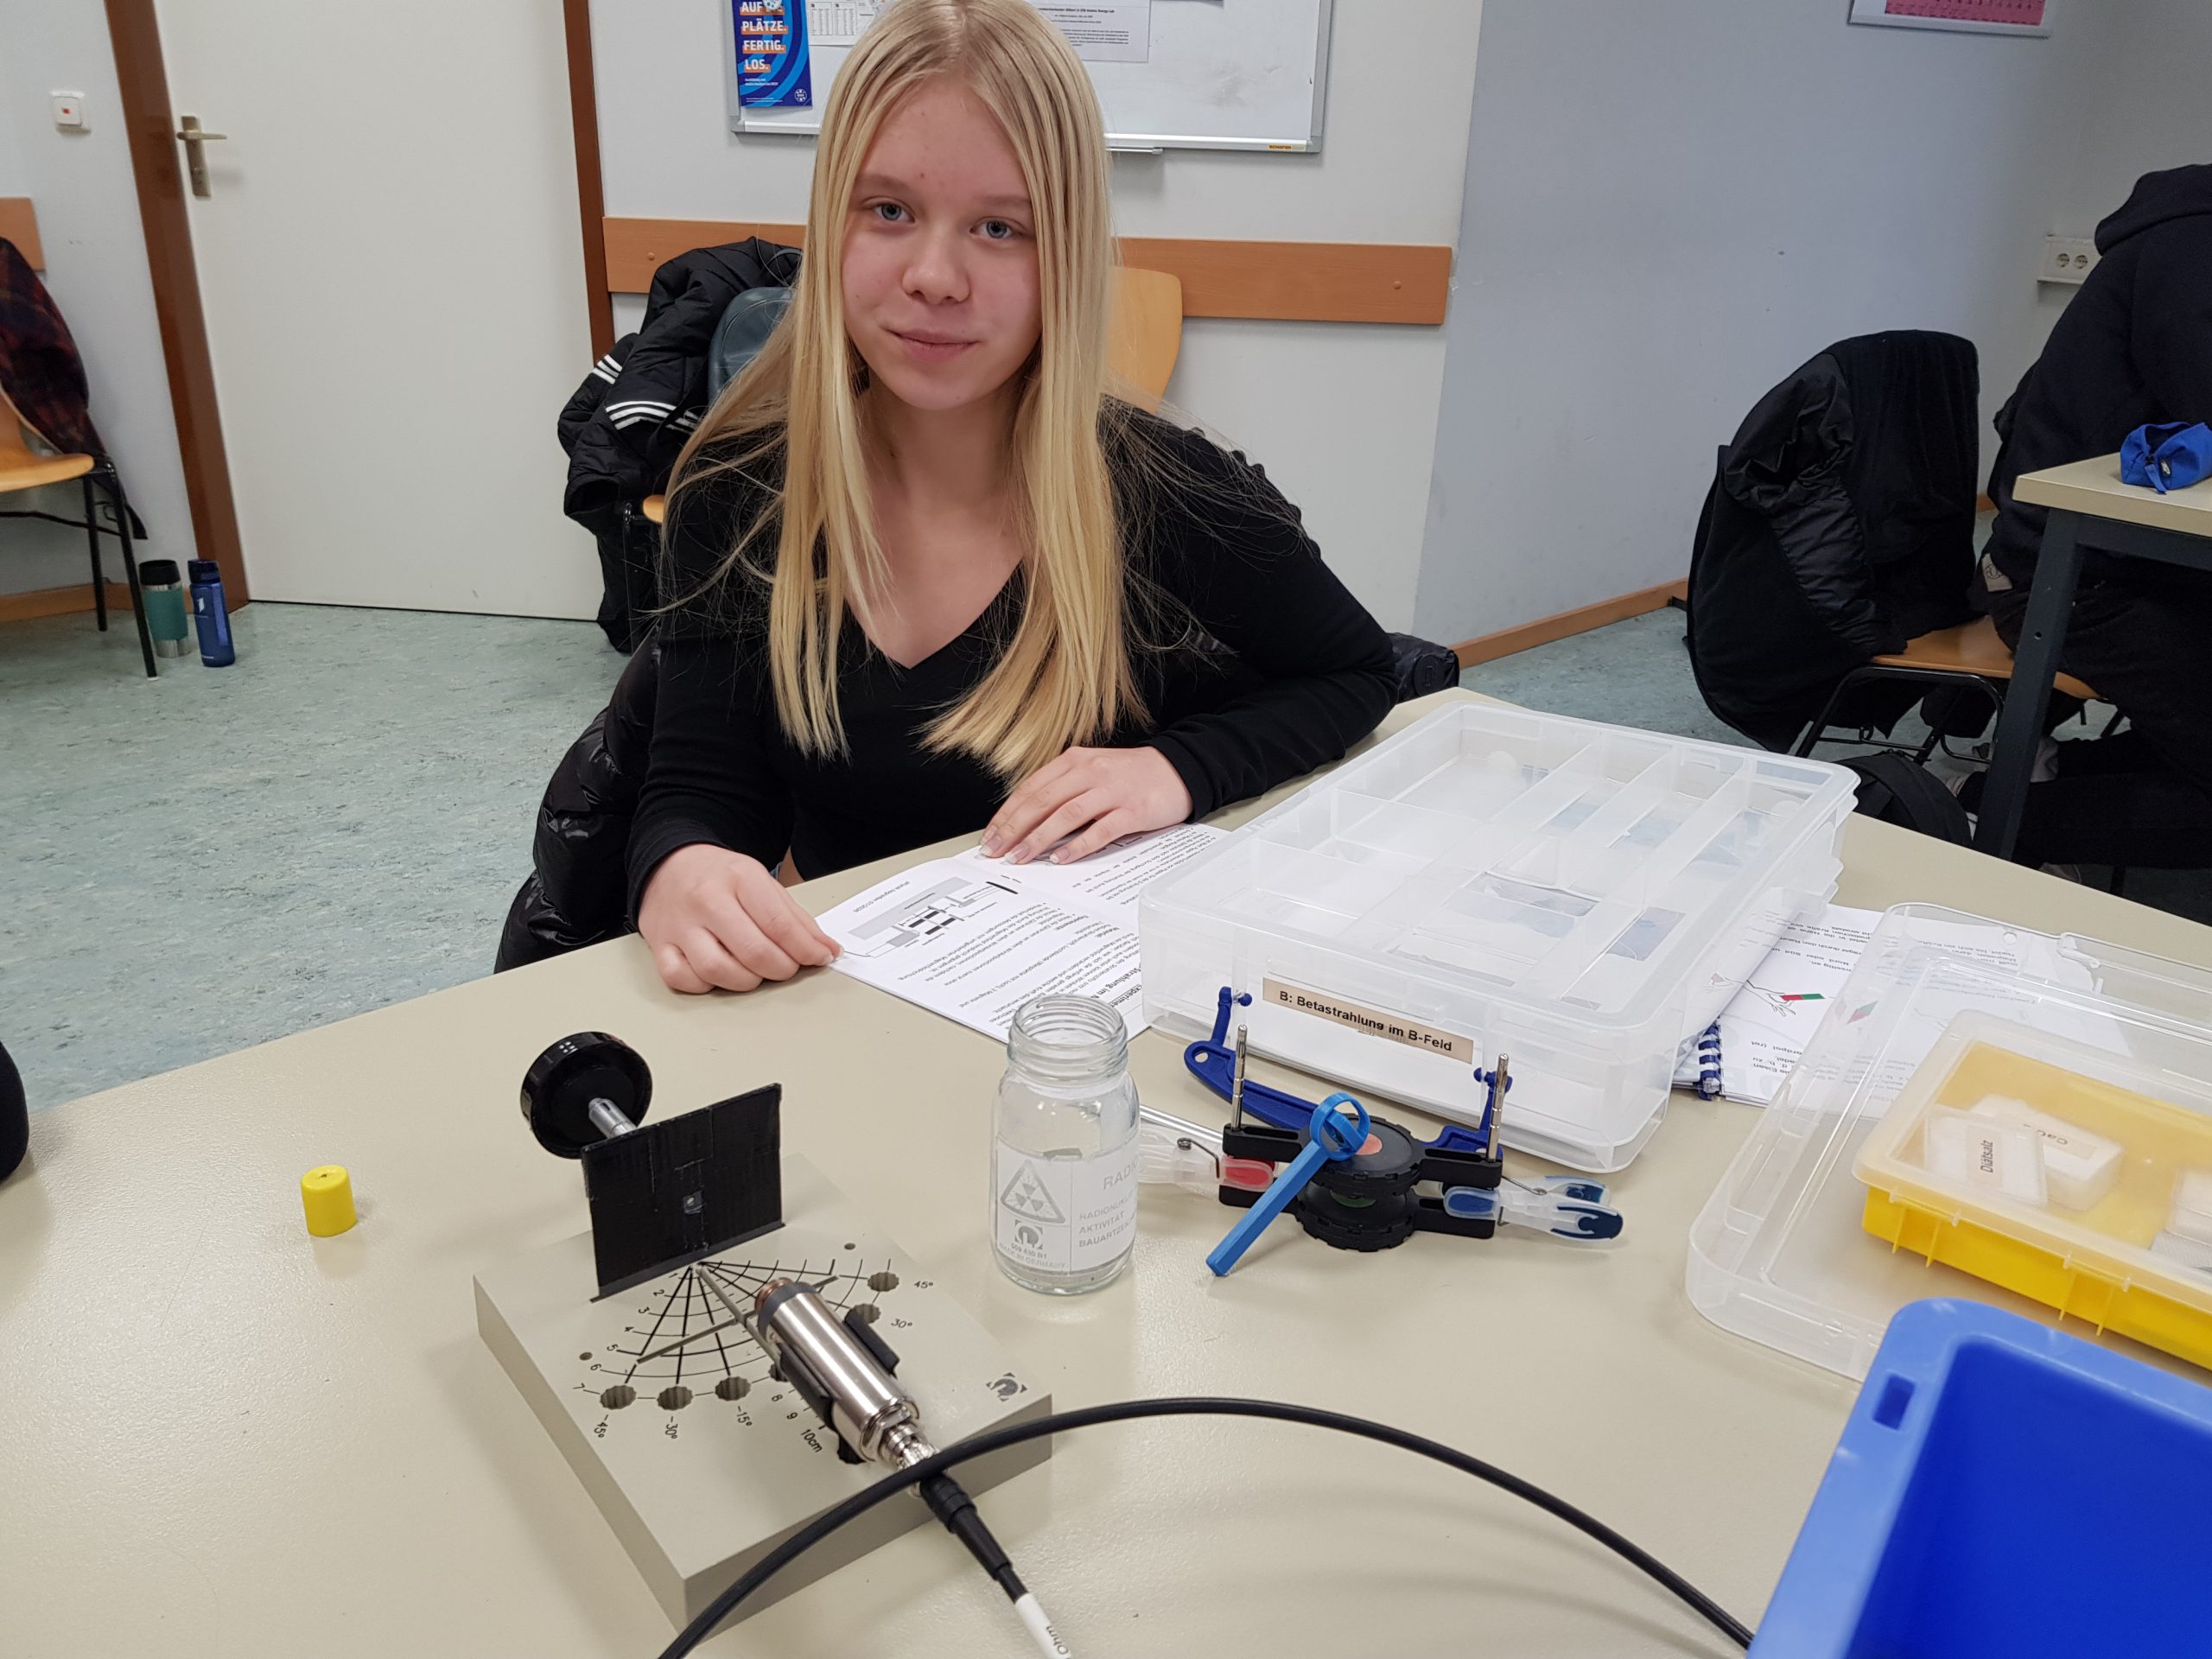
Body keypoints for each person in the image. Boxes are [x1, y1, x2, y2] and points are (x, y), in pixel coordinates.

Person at [628, 0, 1396, 996]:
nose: (934, 276)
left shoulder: (1164, 489)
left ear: (1063, 254)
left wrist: (1176, 769)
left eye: (1000, 228)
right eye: (888, 210)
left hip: (1084, 1008)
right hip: (844, 996)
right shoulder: (737, 493)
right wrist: (680, 864)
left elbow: (1355, 670)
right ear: (830, 222)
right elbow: (701, 786)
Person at [1977, 162, 2212, 870]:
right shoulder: (2188, 247)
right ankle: (1972, 818)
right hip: (2070, 578)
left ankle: (2048, 778)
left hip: (2154, 563)